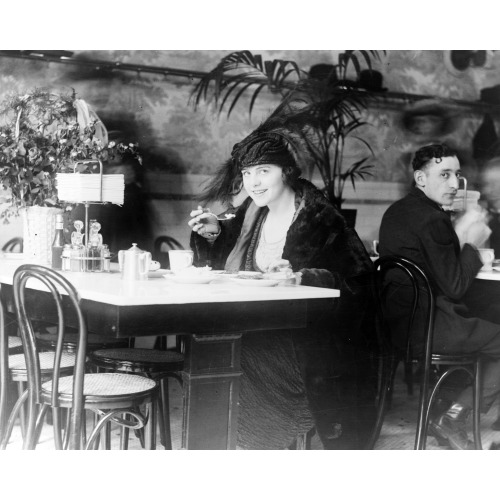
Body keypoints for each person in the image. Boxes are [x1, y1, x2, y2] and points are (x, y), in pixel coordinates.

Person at [188, 131, 376, 449]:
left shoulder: (321, 219)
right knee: (209, 351)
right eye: (247, 173)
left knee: (226, 357)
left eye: (264, 171)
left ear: (287, 171)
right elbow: (226, 266)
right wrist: (213, 233)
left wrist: (304, 278)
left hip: (309, 343)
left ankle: (251, 448)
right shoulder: (251, 214)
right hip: (257, 329)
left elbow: (362, 287)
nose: (254, 182)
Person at [379, 143, 500, 450]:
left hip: (396, 325)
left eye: (457, 175)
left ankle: (444, 407)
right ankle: (453, 416)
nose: (453, 183)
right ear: (420, 179)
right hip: (429, 326)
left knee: (488, 316)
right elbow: (456, 286)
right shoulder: (433, 219)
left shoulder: (399, 210)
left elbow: (434, 266)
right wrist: (471, 243)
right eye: (444, 174)